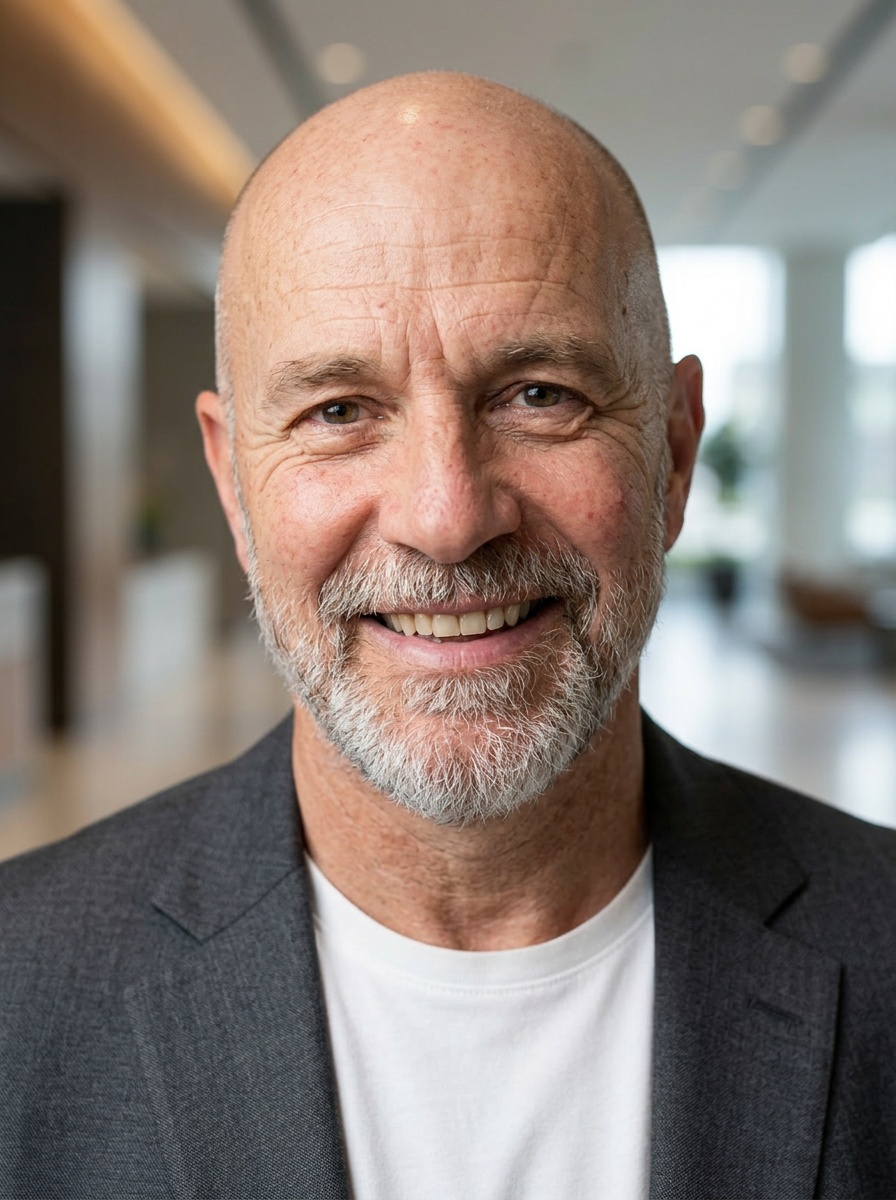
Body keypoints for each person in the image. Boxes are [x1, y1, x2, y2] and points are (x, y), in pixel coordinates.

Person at [0, 72, 894, 1200]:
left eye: (537, 394)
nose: (446, 517)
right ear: (235, 486)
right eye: (338, 412)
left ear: (670, 457)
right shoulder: (17, 993)